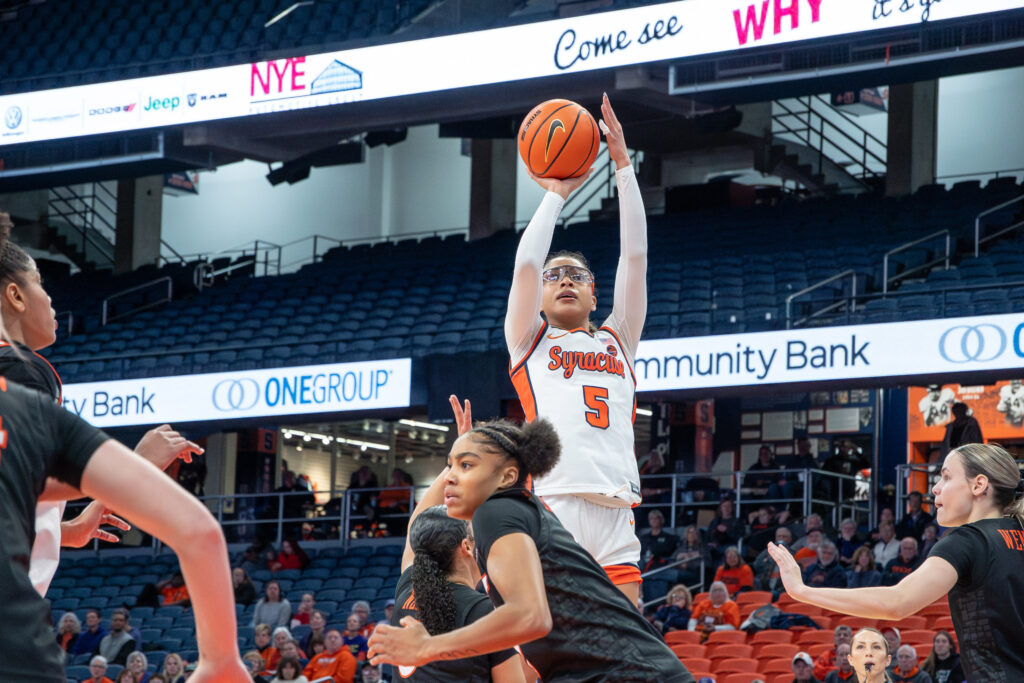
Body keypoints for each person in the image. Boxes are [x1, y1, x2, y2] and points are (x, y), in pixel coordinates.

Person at [368, 412, 694, 681]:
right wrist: (464, 454)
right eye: (451, 466)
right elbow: (420, 524)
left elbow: (531, 617)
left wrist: (427, 648)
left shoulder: (497, 511)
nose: (451, 477)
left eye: (465, 466)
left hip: (629, 673)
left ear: (507, 476)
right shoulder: (509, 515)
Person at [503, 94, 648, 604]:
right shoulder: (531, 340)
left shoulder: (619, 338)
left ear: (593, 293)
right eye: (554, 276)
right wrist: (556, 195)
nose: (564, 280)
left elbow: (635, 255)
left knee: (630, 654)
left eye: (577, 275)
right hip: (557, 505)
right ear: (540, 295)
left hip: (616, 511)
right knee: (551, 650)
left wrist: (624, 168)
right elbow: (525, 264)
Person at [766, 442, 1024, 681]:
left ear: (979, 485)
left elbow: (897, 603)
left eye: (946, 477)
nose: (935, 487)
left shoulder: (968, 540)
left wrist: (802, 591)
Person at [671, 524, 711, 588]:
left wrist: (688, 564)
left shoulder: (703, 548)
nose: (692, 534)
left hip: (694, 573)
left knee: (662, 574)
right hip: (680, 571)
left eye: (694, 532)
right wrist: (680, 565)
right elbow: (671, 562)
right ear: (686, 535)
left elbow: (708, 563)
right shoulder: (681, 548)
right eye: (689, 532)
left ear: (697, 535)